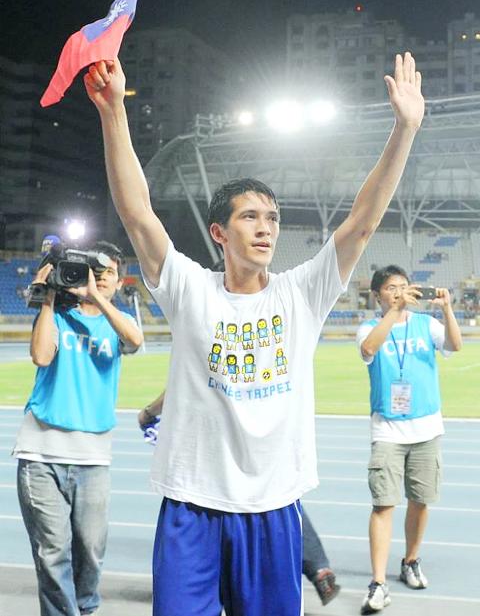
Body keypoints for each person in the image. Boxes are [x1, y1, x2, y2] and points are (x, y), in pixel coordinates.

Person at [84, 52, 424, 616]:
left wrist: (404, 129)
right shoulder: (190, 288)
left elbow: (361, 224)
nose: (265, 228)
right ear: (218, 232)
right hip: (192, 504)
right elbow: (138, 213)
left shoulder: (302, 293)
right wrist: (113, 111)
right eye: (250, 217)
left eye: (272, 218)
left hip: (272, 507)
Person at [13, 241, 144, 616]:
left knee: (90, 551)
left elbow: (135, 340)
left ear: (119, 282)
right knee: (52, 553)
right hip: (40, 454)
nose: (100, 278)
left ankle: (85, 610)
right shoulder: (57, 315)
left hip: (93, 458)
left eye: (108, 274)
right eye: (94, 271)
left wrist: (95, 297)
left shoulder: (117, 324)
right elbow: (41, 356)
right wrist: (48, 298)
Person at [139, 391, 341, 607]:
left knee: (257, 502)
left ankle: (317, 567)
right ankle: (319, 568)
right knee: (274, 499)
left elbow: (182, 387)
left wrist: (149, 412)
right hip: (265, 459)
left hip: (214, 464)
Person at [356, 265, 462, 614]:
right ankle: (378, 583)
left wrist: (447, 310)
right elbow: (369, 349)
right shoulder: (369, 327)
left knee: (420, 500)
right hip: (387, 429)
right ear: (377, 295)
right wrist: (396, 311)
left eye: (403, 286)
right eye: (391, 288)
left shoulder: (425, 324)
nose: (399, 291)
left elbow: (455, 345)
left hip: (426, 429)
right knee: (383, 504)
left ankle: (410, 561)